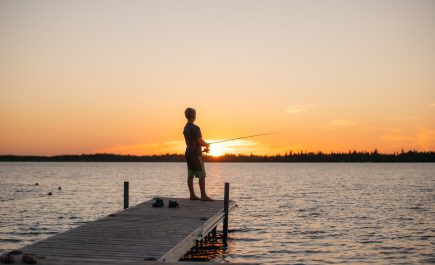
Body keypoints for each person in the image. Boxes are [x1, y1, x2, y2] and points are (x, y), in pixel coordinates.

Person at [183, 107, 213, 201]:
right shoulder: (196, 128)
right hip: (196, 155)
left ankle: (192, 195)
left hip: (188, 153)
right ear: (194, 116)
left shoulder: (185, 128)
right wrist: (206, 144)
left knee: (190, 175)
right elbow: (200, 141)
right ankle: (203, 196)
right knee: (202, 175)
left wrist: (202, 150)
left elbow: (190, 143)